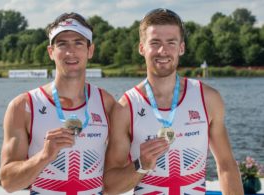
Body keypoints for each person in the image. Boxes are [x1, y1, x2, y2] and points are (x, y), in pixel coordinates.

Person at [103, 8, 244, 195]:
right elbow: (109, 187)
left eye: (171, 42)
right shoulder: (126, 107)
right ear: (141, 48)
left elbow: (226, 166)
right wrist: (141, 165)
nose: (163, 51)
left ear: (181, 47)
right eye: (155, 42)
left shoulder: (208, 98)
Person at [0, 12, 116, 194]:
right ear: (51, 52)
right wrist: (44, 156)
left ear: (90, 50)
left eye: (78, 43)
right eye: (62, 44)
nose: (71, 52)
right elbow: (8, 183)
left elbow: (116, 172)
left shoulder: (107, 103)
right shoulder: (24, 106)